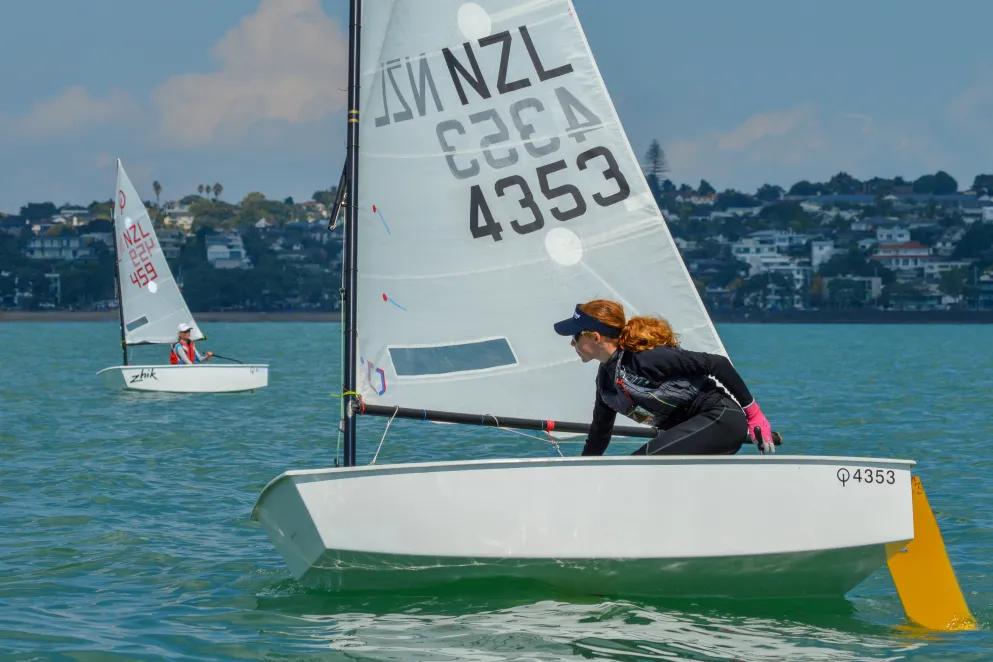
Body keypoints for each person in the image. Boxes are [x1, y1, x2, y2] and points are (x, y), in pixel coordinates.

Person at [553, 299, 776, 456]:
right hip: (689, 431)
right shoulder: (605, 381)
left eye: (575, 336)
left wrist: (754, 415)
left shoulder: (645, 358)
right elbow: (599, 434)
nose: (572, 343)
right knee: (637, 464)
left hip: (720, 419)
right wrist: (582, 474)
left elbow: (717, 364)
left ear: (595, 337)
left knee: (638, 464)